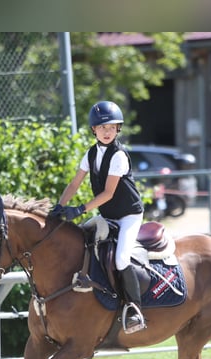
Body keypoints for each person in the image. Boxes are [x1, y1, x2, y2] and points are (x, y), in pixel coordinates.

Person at [52, 100, 146, 334]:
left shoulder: (119, 156)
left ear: (118, 129)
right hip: (108, 215)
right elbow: (75, 183)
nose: (107, 132)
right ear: (94, 130)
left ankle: (135, 309)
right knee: (80, 244)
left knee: (122, 259)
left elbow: (108, 193)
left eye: (112, 127)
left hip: (128, 217)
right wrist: (59, 206)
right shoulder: (91, 153)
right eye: (102, 128)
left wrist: (80, 209)